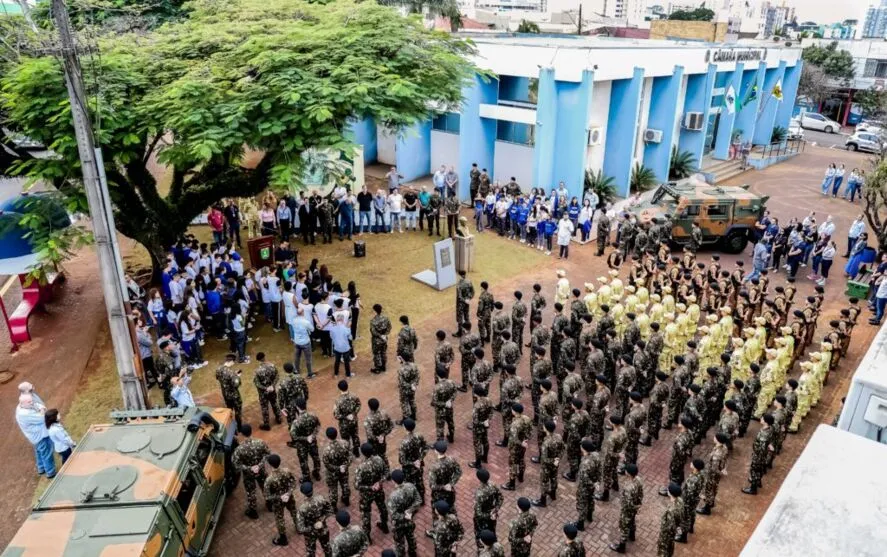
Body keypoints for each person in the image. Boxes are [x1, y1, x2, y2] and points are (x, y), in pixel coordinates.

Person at [233, 424, 270, 519]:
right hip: (261, 471)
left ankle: (253, 512)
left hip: (248, 474)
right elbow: (268, 454)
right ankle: (270, 505)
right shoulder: (260, 443)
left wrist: (249, 468)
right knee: (265, 487)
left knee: (251, 492)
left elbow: (236, 464)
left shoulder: (239, 449)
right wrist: (259, 465)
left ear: (242, 434)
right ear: (251, 431)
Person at [354, 443, 389, 542]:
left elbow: (357, 485)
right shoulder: (379, 459)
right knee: (382, 507)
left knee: (366, 514)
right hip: (379, 490)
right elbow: (386, 472)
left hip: (366, 495)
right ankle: (385, 525)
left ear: (363, 453)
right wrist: (379, 482)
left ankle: (367, 536)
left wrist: (370, 487)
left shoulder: (361, 467)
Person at [608, 462, 643, 553]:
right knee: (632, 521)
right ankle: (632, 536)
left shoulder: (628, 488)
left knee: (624, 526)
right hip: (635, 507)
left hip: (627, 510)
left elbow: (628, 504)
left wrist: (634, 507)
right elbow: (641, 494)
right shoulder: (639, 480)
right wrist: (638, 505)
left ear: (629, 473)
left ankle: (621, 547)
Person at [265, 453, 298, 546]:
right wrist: (288, 494)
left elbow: (267, 496)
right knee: (294, 511)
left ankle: (283, 539)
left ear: (270, 465)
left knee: (280, 519)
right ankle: (299, 528)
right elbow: (294, 482)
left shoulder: (269, 479)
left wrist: (280, 497)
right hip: (289, 497)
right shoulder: (287, 471)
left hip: (277, 502)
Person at [387, 469, 422, 557]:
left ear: (393, 481)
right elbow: (419, 500)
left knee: (399, 542)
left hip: (399, 524)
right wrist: (409, 511)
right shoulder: (411, 486)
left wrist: (404, 515)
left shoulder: (393, 496)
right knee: (410, 536)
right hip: (410, 519)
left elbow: (394, 515)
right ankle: (412, 551)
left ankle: (401, 554)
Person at [296, 481, 334, 557]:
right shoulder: (321, 499)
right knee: (327, 548)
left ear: (303, 493)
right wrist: (322, 520)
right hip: (323, 529)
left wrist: (312, 527)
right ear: (312, 490)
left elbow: (300, 528)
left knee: (311, 553)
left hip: (310, 535)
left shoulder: (302, 509)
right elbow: (330, 510)